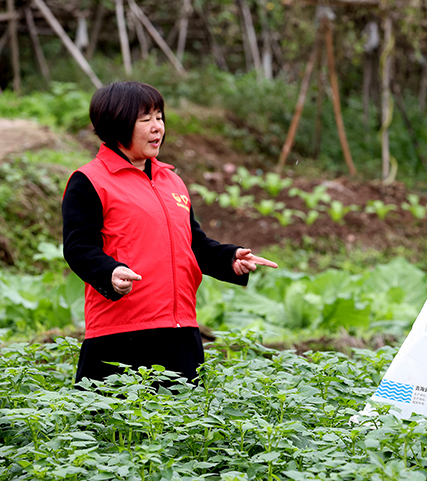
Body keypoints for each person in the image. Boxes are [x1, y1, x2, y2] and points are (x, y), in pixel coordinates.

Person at [62, 81, 278, 386]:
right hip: (122, 333)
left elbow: (193, 244)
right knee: (116, 431)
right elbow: (78, 247)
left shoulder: (171, 181)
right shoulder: (89, 181)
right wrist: (109, 272)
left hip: (181, 330)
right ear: (116, 124)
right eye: (145, 119)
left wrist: (229, 258)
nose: (157, 128)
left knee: (183, 427)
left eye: (160, 117)